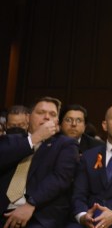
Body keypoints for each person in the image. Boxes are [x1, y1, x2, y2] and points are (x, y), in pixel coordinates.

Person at [0, 97, 79, 227]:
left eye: (52, 114)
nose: (47, 117)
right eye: (41, 113)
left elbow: (60, 178)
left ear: (57, 121)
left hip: (40, 214)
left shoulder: (66, 144)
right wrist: (35, 139)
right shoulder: (11, 140)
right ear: (28, 117)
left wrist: (31, 204)